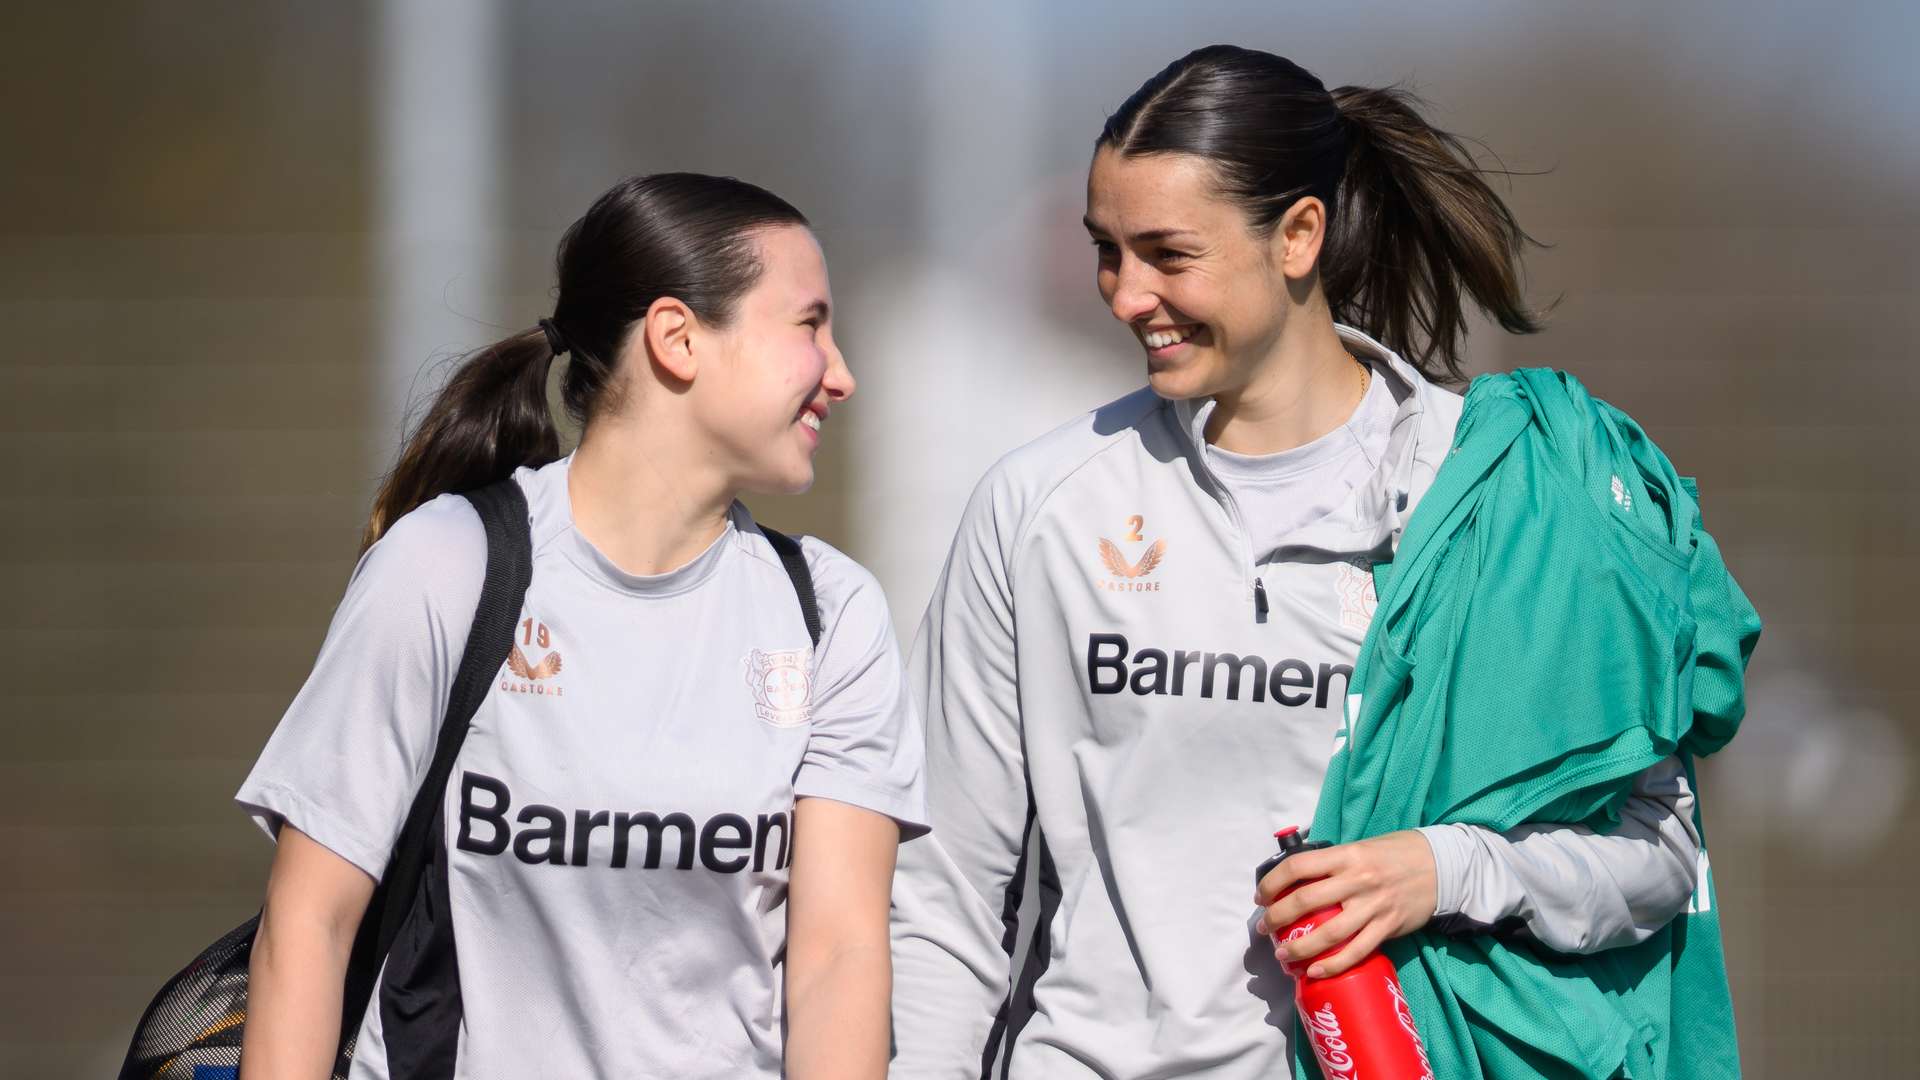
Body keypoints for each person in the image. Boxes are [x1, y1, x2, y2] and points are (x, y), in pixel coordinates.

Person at [890, 46, 1719, 1078]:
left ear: (1298, 236)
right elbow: (941, 901)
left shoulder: (1498, 500)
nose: (1125, 293)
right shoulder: (1040, 505)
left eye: (1168, 254)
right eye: (1108, 250)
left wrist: (1446, 870)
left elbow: (1655, 857)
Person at [235, 173, 923, 1080]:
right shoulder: (447, 565)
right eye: (809, 325)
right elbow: (308, 928)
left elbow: (838, 961)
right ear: (677, 338)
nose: (842, 373)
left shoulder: (831, 612)